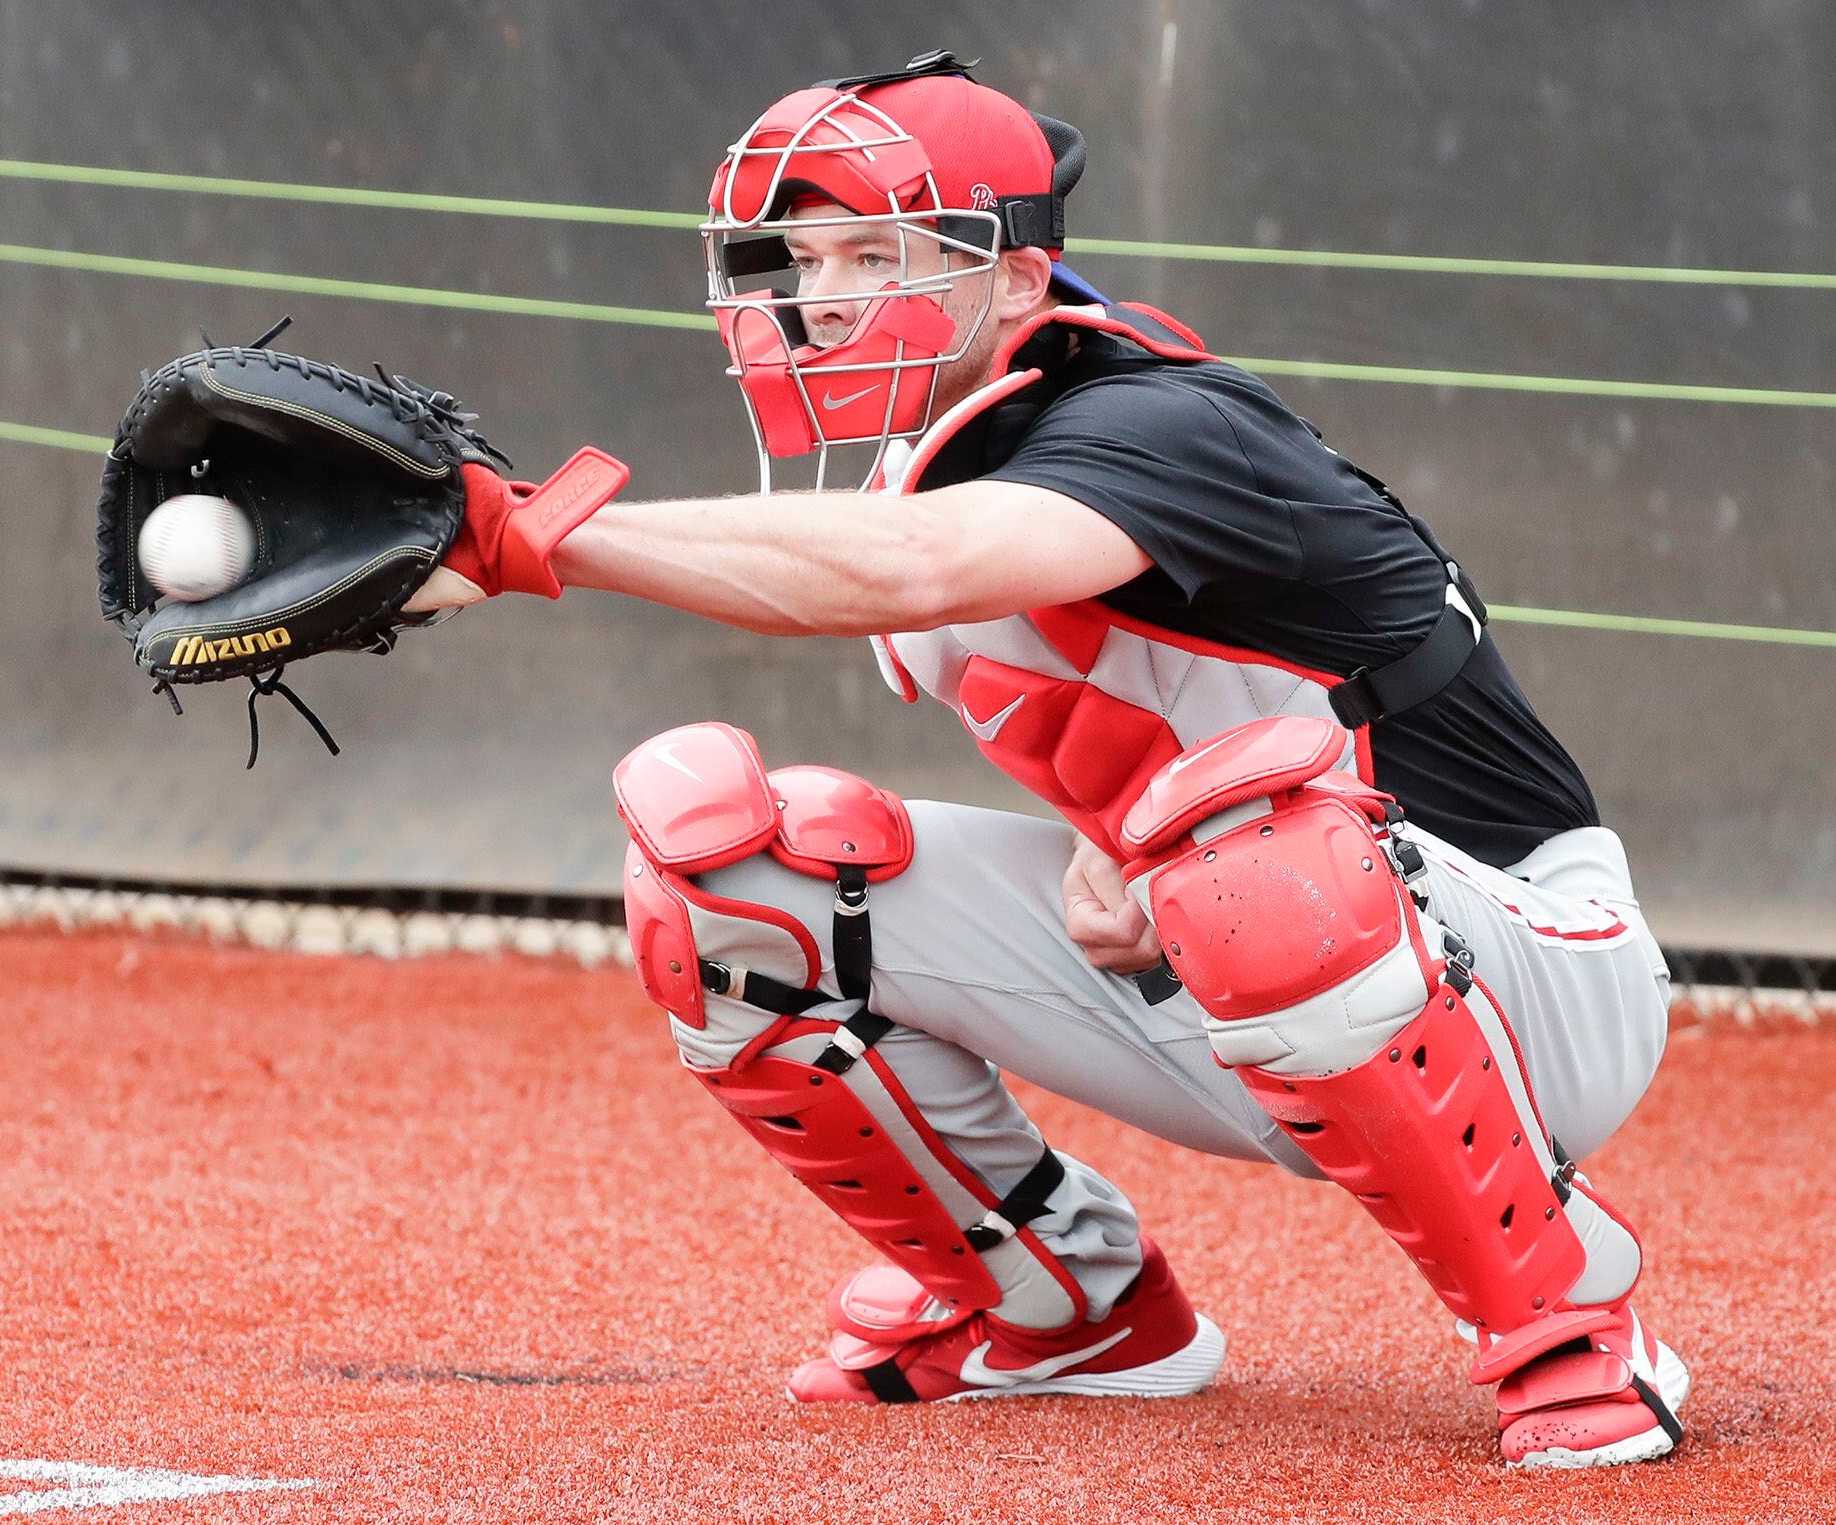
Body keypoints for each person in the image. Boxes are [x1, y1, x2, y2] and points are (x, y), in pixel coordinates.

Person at [407, 51, 1688, 1469]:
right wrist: (1111, 840)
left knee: (1258, 858)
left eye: (876, 253)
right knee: (730, 871)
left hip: (1530, 978)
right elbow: (1145, 697)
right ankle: (1060, 1300)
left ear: (1016, 279)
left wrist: (534, 532)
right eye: (795, 255)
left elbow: (921, 569)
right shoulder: (937, 449)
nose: (818, 295)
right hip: (1237, 958)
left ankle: (1571, 1321)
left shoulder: (1156, 418)